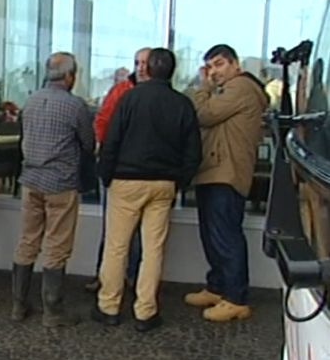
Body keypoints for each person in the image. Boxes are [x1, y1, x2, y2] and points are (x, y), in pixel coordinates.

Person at [94, 48, 202, 332]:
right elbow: (193, 153)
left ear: (149, 70)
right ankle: (145, 311)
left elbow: (111, 141)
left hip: (126, 181)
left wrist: (105, 176)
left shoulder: (129, 98)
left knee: (117, 247)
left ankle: (109, 307)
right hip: (163, 184)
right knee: (153, 250)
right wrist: (180, 182)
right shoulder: (182, 104)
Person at [185, 44, 268, 322]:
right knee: (212, 234)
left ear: (235, 64)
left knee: (225, 236)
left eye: (219, 64)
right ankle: (218, 286)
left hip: (227, 172)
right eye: (209, 66)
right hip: (214, 170)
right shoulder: (229, 90)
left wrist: (202, 87)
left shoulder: (241, 87)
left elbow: (203, 114)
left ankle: (235, 297)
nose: (214, 72)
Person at [11, 52, 94, 327]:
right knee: (56, 246)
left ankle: (18, 305)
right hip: (61, 183)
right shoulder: (75, 106)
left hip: (30, 180)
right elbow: (87, 143)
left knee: (27, 241)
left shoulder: (31, 100)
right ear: (69, 76)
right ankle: (53, 311)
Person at [86, 47, 150, 293]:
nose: (141, 67)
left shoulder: (161, 94)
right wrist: (105, 154)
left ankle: (134, 278)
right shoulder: (120, 91)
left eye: (145, 62)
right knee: (111, 228)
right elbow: (101, 121)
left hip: (145, 173)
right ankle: (105, 276)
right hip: (117, 169)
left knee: (142, 234)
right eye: (137, 62)